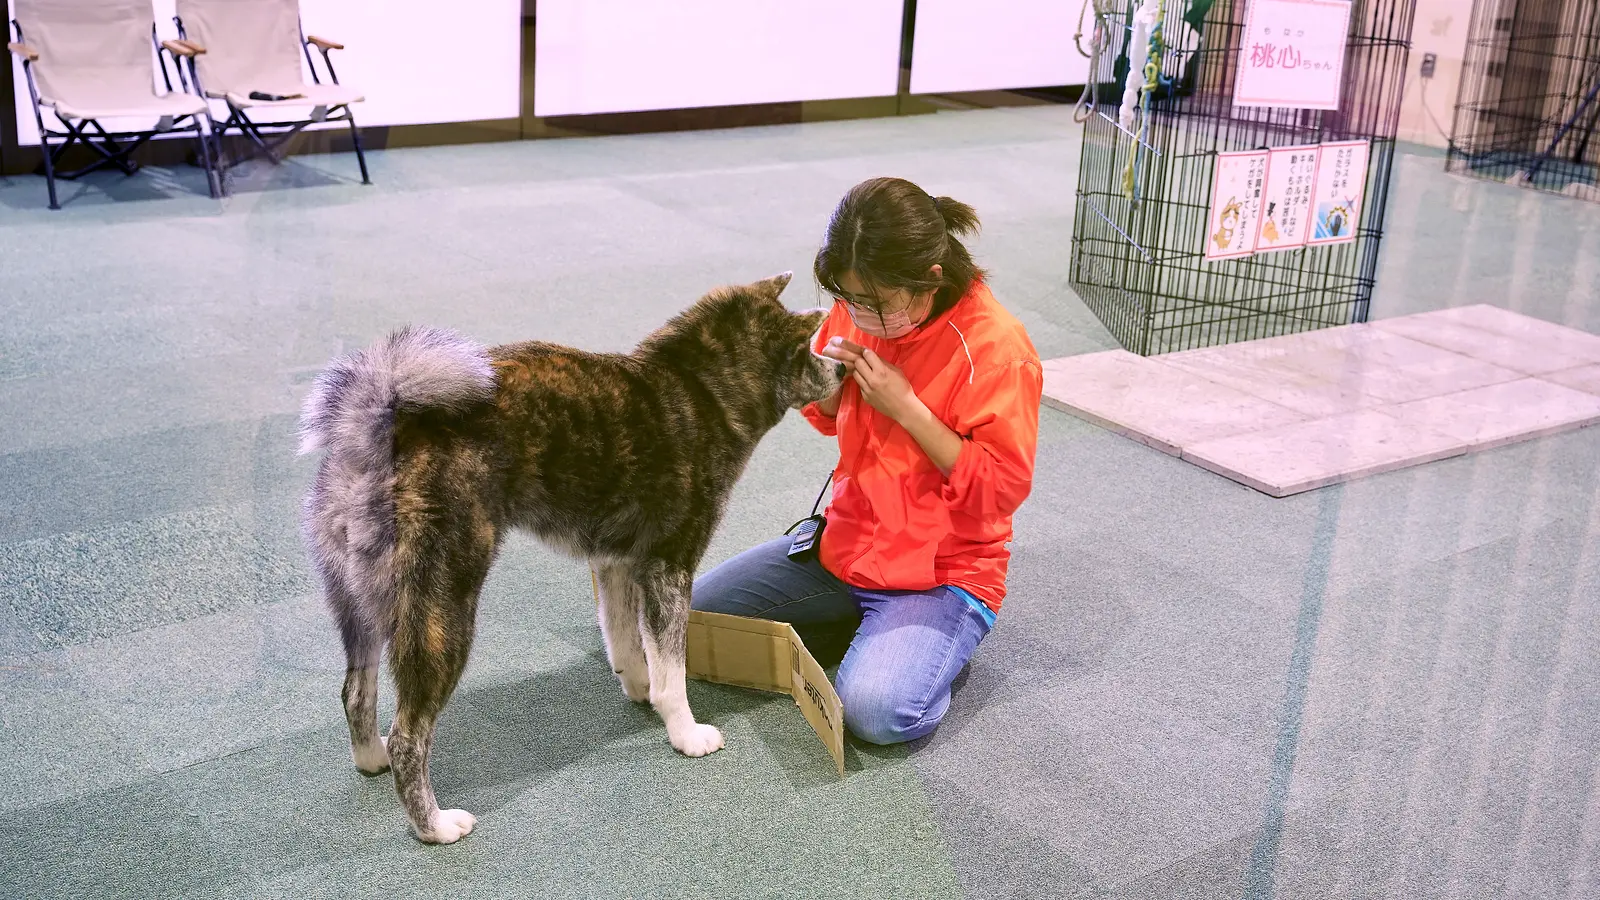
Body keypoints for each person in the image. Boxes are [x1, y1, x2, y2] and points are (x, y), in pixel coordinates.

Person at [691, 176, 1043, 745]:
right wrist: (824, 389)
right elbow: (830, 418)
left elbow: (1000, 490)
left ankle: (935, 644)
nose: (857, 313)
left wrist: (909, 410)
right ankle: (871, 631)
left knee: (876, 715)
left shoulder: (997, 350)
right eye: (846, 298)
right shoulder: (859, 306)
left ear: (928, 279)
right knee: (693, 623)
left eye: (874, 302)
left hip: (941, 573)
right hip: (846, 545)